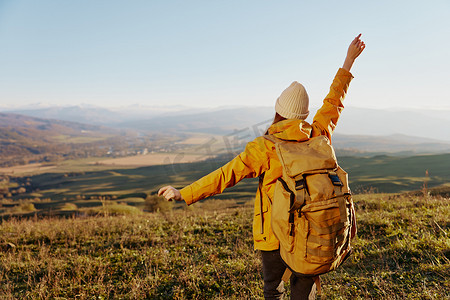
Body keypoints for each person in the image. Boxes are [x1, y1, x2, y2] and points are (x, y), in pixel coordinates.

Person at [158, 34, 365, 299]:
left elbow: (225, 175)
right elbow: (334, 101)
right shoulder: (318, 135)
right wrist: (349, 60)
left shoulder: (264, 146)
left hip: (273, 235)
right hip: (310, 231)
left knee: (273, 290)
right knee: (304, 288)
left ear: (278, 111)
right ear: (303, 114)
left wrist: (184, 192)